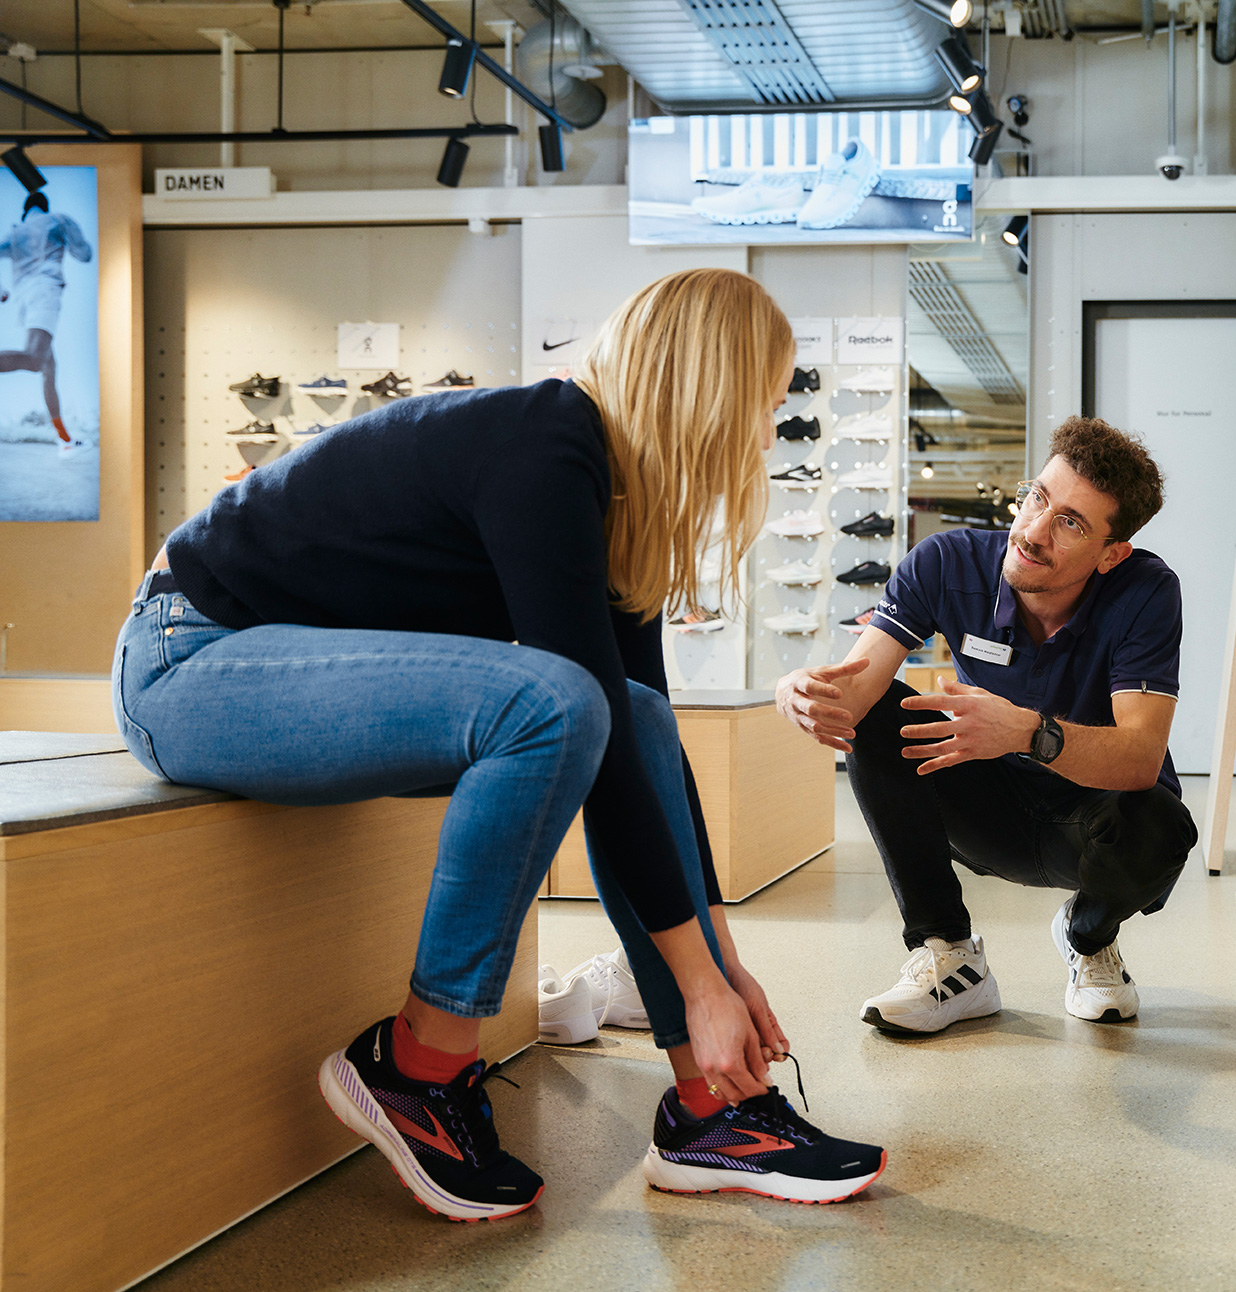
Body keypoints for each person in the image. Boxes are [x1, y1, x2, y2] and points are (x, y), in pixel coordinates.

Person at [114, 269, 883, 1220]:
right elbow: (574, 709)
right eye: (764, 406)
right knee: (554, 700)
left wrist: (721, 966)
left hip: (279, 666)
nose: (767, 437)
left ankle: (712, 1104)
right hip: (189, 661)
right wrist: (696, 977)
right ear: (708, 391)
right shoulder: (548, 446)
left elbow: (640, 734)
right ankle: (419, 1063)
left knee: (627, 713)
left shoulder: (611, 494)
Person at [776, 417, 1198, 1034]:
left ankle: (1088, 937)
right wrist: (800, 690)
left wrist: (1029, 733)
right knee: (879, 719)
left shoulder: (1147, 592)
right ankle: (948, 955)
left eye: (1070, 523)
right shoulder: (947, 563)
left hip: (1090, 828)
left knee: (1161, 826)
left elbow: (1139, 757)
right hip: (986, 811)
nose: (1033, 530)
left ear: (1112, 554)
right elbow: (856, 688)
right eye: (1037, 497)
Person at [0, 191, 94, 450]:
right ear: (45, 206)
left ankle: (64, 439)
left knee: (48, 367)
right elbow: (85, 254)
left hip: (23, 300)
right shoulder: (57, 219)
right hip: (45, 292)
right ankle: (64, 440)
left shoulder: (15, 231)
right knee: (34, 359)